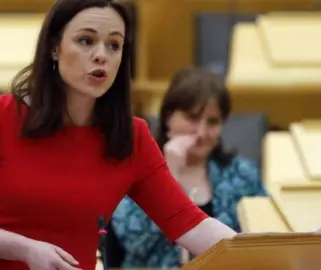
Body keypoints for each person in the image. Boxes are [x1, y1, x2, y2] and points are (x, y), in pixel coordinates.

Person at [0, 1, 237, 270]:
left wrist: (267, 254)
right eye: (86, 41)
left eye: (114, 45)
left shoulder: (132, 137)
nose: (101, 55)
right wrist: (25, 249)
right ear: (54, 47)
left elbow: (190, 224)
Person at [112, 68, 267, 268]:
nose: (201, 132)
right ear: (168, 117)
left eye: (212, 122)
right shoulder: (136, 168)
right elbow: (134, 242)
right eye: (192, 118)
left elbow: (265, 238)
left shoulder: (242, 174)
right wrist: (170, 174)